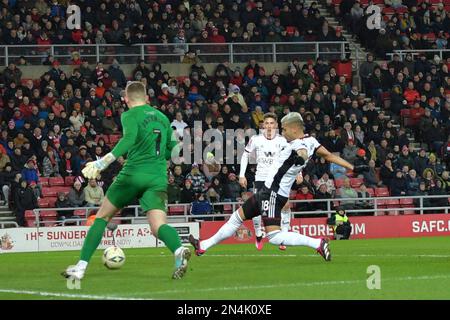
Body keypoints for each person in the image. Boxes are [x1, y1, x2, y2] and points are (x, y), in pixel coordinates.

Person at [190, 112, 367, 261]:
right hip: (266, 191)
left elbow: (302, 152)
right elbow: (329, 156)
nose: (282, 132)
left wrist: (301, 158)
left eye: (284, 128)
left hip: (273, 194)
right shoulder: (311, 141)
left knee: (274, 237)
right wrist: (353, 167)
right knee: (236, 218)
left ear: (295, 129)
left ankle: (318, 243)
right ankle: (203, 246)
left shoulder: (300, 144)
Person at [63, 81, 190, 281]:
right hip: (157, 177)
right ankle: (178, 250)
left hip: (132, 174)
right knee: (158, 226)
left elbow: (129, 139)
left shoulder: (129, 115)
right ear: (147, 98)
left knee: (102, 217)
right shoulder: (164, 118)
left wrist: (101, 163)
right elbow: (172, 151)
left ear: (126, 99)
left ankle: (80, 267)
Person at [239, 112, 292, 251]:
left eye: (271, 123)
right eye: (266, 123)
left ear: (276, 125)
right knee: (258, 208)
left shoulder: (282, 140)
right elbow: (245, 155)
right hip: (261, 178)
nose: (269, 126)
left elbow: (293, 156)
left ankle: (284, 236)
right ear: (263, 125)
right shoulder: (256, 139)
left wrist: (299, 173)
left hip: (278, 178)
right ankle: (258, 233)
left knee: (285, 205)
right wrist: (241, 175)